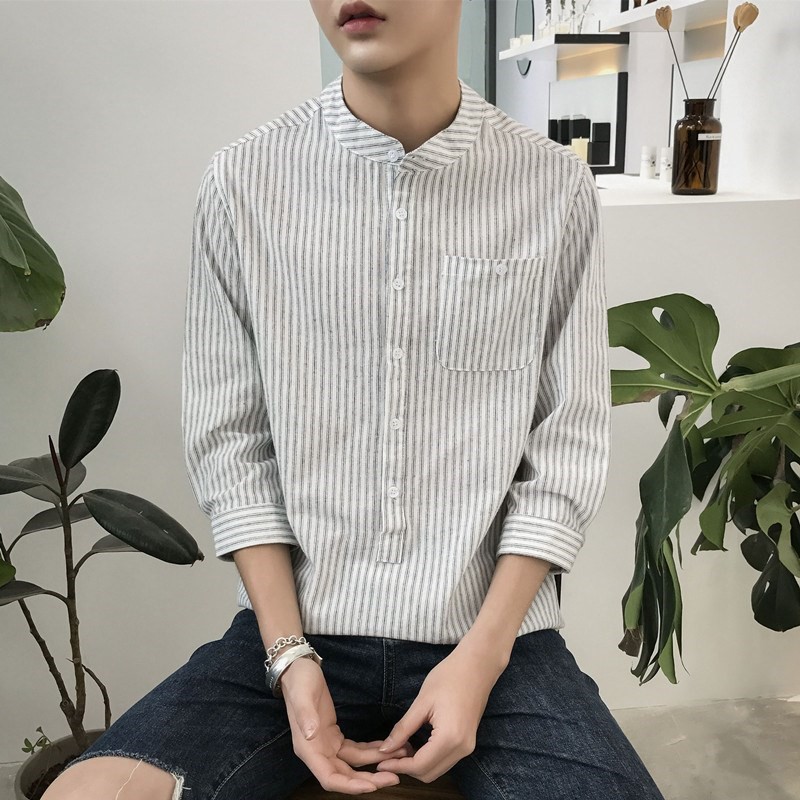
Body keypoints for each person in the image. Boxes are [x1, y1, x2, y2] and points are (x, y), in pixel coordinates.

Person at [44, 1, 666, 798]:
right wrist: (289, 658)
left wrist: (481, 658)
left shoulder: (552, 185)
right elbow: (231, 443)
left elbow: (566, 445)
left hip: (498, 646)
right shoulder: (244, 182)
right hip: (290, 639)